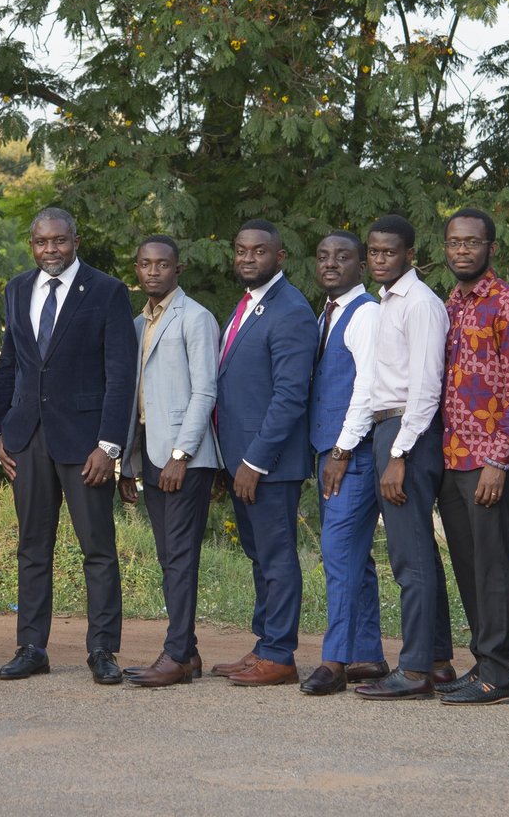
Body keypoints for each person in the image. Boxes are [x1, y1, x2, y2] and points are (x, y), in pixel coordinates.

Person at [0, 207, 137, 684]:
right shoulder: (16, 289)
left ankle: (102, 651)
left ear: (76, 240)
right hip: (27, 439)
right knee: (33, 548)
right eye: (41, 242)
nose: (50, 250)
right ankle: (31, 646)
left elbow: (120, 377)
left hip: (85, 445)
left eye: (59, 240)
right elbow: (10, 365)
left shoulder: (108, 290)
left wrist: (109, 446)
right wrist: (1, 431)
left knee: (97, 549)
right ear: (32, 244)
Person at [433, 209, 509, 706]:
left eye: (472, 243)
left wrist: (499, 460)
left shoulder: (508, 304)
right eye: (454, 243)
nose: (462, 251)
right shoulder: (450, 304)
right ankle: (481, 664)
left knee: (494, 566)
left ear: (491, 248)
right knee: (470, 566)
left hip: (488, 459)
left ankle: (499, 674)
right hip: (451, 457)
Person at [207, 221, 315, 688]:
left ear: (280, 256)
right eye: (241, 250)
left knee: (276, 557)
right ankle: (263, 645)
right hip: (240, 459)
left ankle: (280, 655)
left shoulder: (290, 309)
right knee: (259, 556)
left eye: (259, 251)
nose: (248, 258)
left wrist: (254, 461)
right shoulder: (249, 304)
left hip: (268, 464)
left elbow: (290, 395)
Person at [354, 216, 458, 700]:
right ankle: (436, 660)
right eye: (373, 252)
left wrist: (399, 453)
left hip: (406, 432)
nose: (379, 259)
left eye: (389, 252)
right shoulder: (385, 303)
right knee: (419, 552)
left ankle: (414, 668)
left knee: (408, 557)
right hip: (389, 428)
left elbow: (426, 386)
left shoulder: (420, 304)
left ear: (410, 255)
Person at [118, 236, 220, 687]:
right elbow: (138, 400)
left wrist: (182, 453)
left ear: (178, 269)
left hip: (187, 457)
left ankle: (176, 654)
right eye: (145, 264)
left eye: (162, 264)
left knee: (179, 556)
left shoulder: (195, 318)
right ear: (137, 270)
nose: (153, 271)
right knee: (167, 555)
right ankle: (189, 652)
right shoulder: (138, 324)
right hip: (151, 454)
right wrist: (129, 463)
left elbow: (205, 391)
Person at [309, 229, 386, 696]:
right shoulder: (328, 314)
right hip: (331, 453)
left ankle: (334, 660)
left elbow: (368, 388)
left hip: (351, 456)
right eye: (323, 256)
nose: (331, 264)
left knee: (339, 557)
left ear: (360, 265)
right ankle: (367, 654)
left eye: (342, 257)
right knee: (356, 560)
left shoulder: (367, 313)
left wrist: (340, 450)